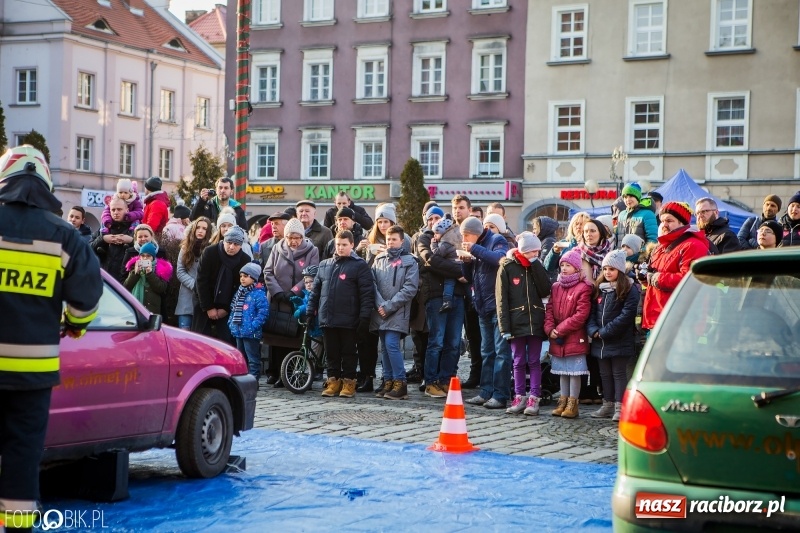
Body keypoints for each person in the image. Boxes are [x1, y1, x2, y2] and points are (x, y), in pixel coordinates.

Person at [0, 145, 102, 532]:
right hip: (32, 372)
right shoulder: (65, 236)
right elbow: (88, 297)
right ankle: (18, 527)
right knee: (23, 456)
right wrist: (75, 324)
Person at [306, 230, 375, 399]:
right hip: (328, 317)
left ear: (352, 245)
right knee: (331, 352)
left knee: (349, 353)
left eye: (344, 245)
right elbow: (315, 292)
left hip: (349, 319)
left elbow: (367, 294)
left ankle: (349, 381)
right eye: (338, 244)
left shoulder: (359, 266)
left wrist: (364, 317)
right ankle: (333, 380)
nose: (341, 248)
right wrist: (310, 312)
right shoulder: (325, 265)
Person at [496, 232, 551, 416]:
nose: (536, 255)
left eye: (538, 251)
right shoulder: (507, 267)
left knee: (534, 361)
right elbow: (501, 299)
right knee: (518, 361)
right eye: (532, 252)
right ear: (523, 250)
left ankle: (534, 398)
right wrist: (504, 327)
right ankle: (519, 396)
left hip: (535, 320)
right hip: (515, 321)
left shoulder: (537, 265)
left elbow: (545, 289)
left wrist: (536, 265)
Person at [415, 208, 468, 397]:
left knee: (453, 342)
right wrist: (459, 272)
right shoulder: (423, 239)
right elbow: (431, 261)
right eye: (431, 218)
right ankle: (430, 382)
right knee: (436, 341)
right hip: (436, 295)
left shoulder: (453, 237)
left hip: (458, 295)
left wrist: (461, 271)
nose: (434, 221)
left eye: (438, 218)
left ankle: (447, 380)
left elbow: (460, 262)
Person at [461, 216, 511, 409]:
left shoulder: (496, 240)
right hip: (482, 305)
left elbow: (499, 259)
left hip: (498, 306)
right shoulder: (475, 246)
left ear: (475, 233)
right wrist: (465, 262)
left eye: (466, 235)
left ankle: (500, 394)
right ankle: (486, 391)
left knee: (501, 353)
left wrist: (473, 250)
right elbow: (467, 277)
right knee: (486, 352)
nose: (464, 239)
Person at [262, 217, 320, 386]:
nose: (293, 241)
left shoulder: (312, 250)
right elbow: (268, 272)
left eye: (297, 238)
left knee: (295, 339)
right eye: (290, 237)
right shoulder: (276, 248)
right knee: (277, 338)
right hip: (278, 301)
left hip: (297, 301)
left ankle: (293, 374)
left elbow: (311, 274)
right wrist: (278, 292)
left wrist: (293, 291)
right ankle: (277, 373)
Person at [587, 250, 640, 421]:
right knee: (605, 374)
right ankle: (607, 404)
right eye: (605, 269)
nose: (608, 272)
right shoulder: (599, 289)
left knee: (618, 373)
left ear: (619, 270)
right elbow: (592, 313)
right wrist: (593, 330)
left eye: (612, 269)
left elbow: (626, 315)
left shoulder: (629, 289)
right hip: (600, 341)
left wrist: (605, 332)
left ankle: (620, 405)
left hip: (619, 340)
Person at [641, 202, 710, 332]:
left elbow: (690, 279)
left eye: (669, 220)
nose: (664, 224)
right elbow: (655, 276)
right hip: (657, 319)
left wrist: (657, 278)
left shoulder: (693, 246)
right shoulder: (660, 247)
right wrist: (646, 278)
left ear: (682, 223)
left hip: (681, 322)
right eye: (662, 221)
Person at [371, 225, 419, 400]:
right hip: (380, 310)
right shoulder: (379, 259)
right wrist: (380, 304)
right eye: (388, 239)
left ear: (402, 241)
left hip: (397, 311)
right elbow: (373, 284)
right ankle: (389, 380)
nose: (390, 243)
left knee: (391, 344)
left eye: (394, 240)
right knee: (384, 346)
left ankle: (400, 382)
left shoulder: (409, 262)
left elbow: (410, 288)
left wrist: (389, 306)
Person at [544, 249, 592, 419]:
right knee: (562, 372)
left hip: (573, 336)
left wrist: (560, 329)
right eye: (562, 265)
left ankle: (573, 403)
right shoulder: (556, 287)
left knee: (574, 371)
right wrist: (550, 329)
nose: (564, 268)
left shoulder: (583, 287)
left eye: (568, 265)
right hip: (557, 338)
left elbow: (581, 315)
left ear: (577, 268)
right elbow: (549, 309)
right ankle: (562, 401)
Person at [194, 226, 252, 344]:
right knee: (201, 340)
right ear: (223, 240)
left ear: (241, 245)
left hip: (229, 305)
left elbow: (241, 287)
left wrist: (226, 309)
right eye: (229, 242)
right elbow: (201, 281)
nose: (231, 247)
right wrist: (209, 308)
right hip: (204, 302)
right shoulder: (210, 252)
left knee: (226, 341)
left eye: (236, 244)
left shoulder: (244, 260)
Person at [229, 263, 270, 382]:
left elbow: (263, 313)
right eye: (241, 276)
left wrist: (253, 326)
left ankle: (253, 381)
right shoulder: (239, 292)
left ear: (254, 278)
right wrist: (231, 323)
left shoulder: (259, 294)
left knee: (253, 359)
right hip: (238, 330)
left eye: (246, 276)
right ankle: (242, 381)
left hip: (251, 333)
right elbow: (233, 308)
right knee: (240, 358)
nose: (242, 278)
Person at [175, 217, 212, 330]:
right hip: (186, 298)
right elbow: (180, 271)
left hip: (204, 301)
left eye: (204, 228)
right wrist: (195, 285)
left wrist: (202, 288)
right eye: (198, 227)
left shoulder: (211, 249)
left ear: (208, 231)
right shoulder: (185, 248)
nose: (200, 231)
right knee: (184, 338)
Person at [123, 241, 173, 315]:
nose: (145, 258)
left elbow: (161, 288)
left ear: (153, 257)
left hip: (152, 310)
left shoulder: (160, 269)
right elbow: (126, 287)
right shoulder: (134, 267)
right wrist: (135, 273)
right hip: (135, 309)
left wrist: (150, 274)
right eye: (143, 256)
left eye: (148, 256)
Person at [91, 197, 134, 283]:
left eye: (119, 209)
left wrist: (131, 241)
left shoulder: (134, 228)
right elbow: (87, 248)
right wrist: (102, 239)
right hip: (104, 280)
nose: (116, 212)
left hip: (125, 281)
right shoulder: (103, 229)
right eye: (113, 210)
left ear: (127, 210)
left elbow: (146, 250)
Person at [542, 211, 590, 279]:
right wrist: (554, 252)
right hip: (564, 282)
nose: (578, 227)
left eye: (582, 224)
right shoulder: (564, 243)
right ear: (572, 226)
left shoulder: (590, 244)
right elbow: (548, 267)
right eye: (576, 224)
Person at [430, 214, 461, 313]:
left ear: (443, 232)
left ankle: (447, 301)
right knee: (467, 285)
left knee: (449, 281)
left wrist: (433, 244)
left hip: (452, 265)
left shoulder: (445, 242)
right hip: (461, 263)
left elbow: (437, 254)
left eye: (436, 233)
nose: (434, 236)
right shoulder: (455, 235)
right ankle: (473, 299)